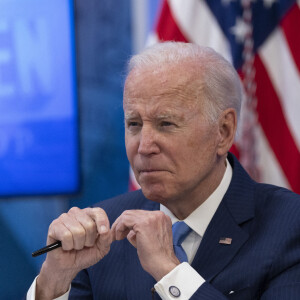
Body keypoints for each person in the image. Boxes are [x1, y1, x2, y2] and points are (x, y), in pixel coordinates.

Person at [27, 42, 300, 300]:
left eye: (166, 123)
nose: (144, 147)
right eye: (134, 124)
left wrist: (169, 271)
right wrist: (54, 281)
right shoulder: (103, 228)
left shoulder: (289, 225)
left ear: (223, 131)